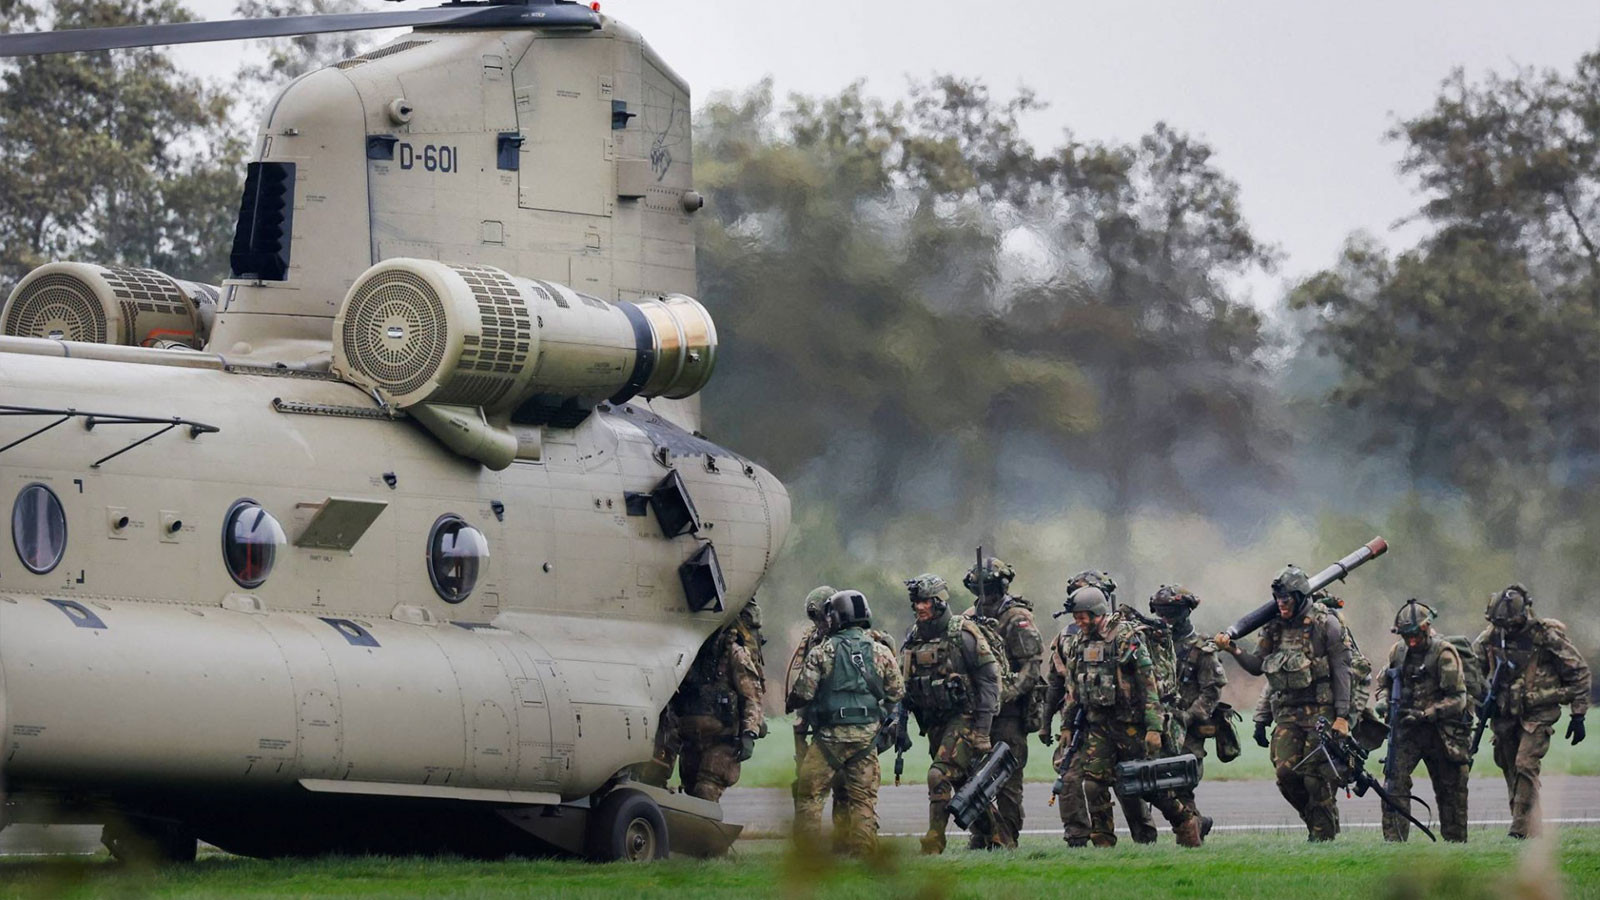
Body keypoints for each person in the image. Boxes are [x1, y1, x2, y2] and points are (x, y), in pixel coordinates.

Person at [1044, 585, 1202, 847]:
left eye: (1083, 616)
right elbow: (1073, 689)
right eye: (1076, 617)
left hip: (1130, 725)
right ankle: (1103, 841)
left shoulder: (1125, 637)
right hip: (1097, 725)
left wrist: (1154, 728)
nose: (1078, 622)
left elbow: (1147, 684)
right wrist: (1067, 726)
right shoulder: (1079, 643)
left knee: (1146, 784)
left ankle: (1185, 820)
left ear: (1097, 613)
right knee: (1093, 785)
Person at [1215, 565, 1351, 841]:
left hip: (1321, 712)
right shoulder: (1274, 626)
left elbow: (1342, 671)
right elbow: (1258, 666)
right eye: (1278, 600)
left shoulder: (1327, 624)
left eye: (1286, 599)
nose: (1282, 604)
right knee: (1286, 774)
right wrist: (1233, 649)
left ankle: (1323, 836)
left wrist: (1343, 716)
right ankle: (1318, 821)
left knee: (1315, 777)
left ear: (1300, 597)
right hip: (1287, 711)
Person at [787, 590, 905, 856]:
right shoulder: (881, 651)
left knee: (809, 796)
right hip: (866, 740)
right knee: (863, 800)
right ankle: (862, 851)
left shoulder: (821, 652)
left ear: (835, 617)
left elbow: (803, 693)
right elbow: (896, 693)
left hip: (828, 739)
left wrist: (794, 702)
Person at [1475, 584, 1591, 839]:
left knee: (1525, 764)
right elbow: (1473, 670)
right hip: (1505, 715)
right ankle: (1532, 831)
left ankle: (1517, 831)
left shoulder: (1545, 636)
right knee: (1510, 768)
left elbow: (1579, 671)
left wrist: (1578, 714)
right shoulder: (1492, 636)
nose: (1504, 629)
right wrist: (1480, 700)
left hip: (1538, 713)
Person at [900, 573, 1002, 854]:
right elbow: (903, 681)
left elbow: (989, 680)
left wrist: (982, 730)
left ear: (940, 602)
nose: (920, 607)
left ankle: (935, 839)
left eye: (926, 602)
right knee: (963, 781)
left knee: (939, 774)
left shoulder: (963, 633)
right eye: (917, 602)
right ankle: (995, 835)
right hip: (936, 722)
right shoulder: (914, 637)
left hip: (965, 718)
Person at [960, 556, 1043, 849]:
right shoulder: (969, 617)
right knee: (971, 776)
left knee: (1007, 779)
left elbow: (1031, 667)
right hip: (979, 714)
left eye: (991, 586)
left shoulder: (1016, 617)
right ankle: (982, 833)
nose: (986, 593)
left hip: (1010, 713)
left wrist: (1003, 694)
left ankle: (1006, 838)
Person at [1378, 599, 1471, 842]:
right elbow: (1384, 684)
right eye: (1405, 635)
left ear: (1426, 627)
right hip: (1408, 730)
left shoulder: (1444, 653)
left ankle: (1456, 845)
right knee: (1393, 784)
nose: (1411, 640)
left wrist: (1427, 713)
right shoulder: (1397, 652)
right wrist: (1383, 702)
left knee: (1451, 790)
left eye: (1415, 634)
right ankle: (1394, 842)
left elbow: (1458, 699)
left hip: (1442, 732)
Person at [1150, 584, 1226, 837]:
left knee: (1180, 785)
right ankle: (1195, 823)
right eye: (1160, 612)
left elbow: (1212, 690)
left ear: (1185, 612)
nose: (1165, 619)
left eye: (1171, 612)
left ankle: (1191, 833)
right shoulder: (1152, 645)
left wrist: (1189, 715)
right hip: (1157, 725)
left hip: (1188, 729)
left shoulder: (1201, 648)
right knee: (1151, 784)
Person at [672, 599, 766, 801]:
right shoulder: (686, 652)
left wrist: (749, 733)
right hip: (689, 741)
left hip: (721, 741)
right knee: (689, 799)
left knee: (705, 793)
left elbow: (752, 695)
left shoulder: (733, 653)